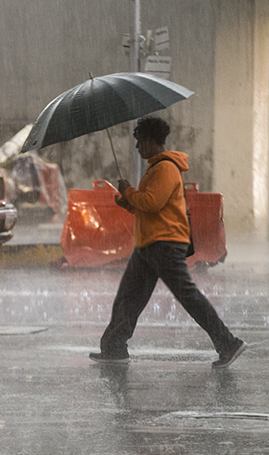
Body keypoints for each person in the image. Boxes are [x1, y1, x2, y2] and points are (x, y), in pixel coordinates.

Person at [89, 116, 246, 369]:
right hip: (149, 244)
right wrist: (128, 202)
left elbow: (151, 202)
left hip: (164, 244)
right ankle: (114, 348)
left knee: (188, 296)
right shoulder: (156, 167)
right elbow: (149, 209)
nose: (138, 147)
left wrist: (129, 191)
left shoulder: (165, 168)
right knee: (128, 298)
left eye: (140, 142)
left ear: (151, 141)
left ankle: (228, 343)